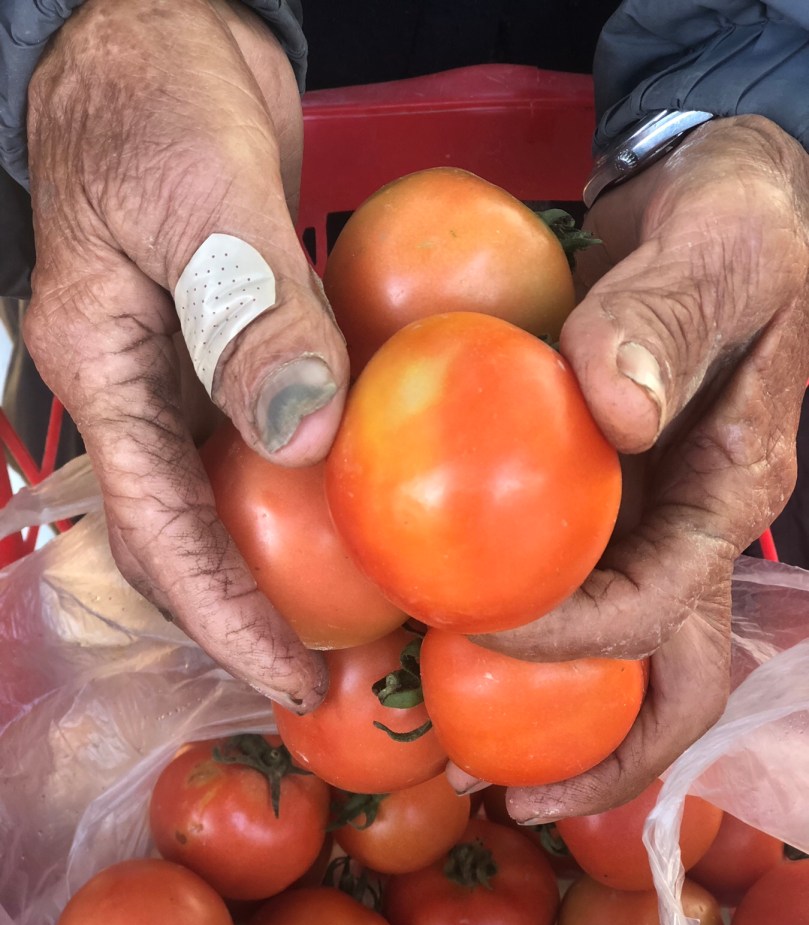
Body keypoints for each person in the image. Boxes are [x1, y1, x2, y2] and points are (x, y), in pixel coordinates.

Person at [0, 0, 807, 820]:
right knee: (159, 533)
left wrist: (762, 109)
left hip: (653, 211)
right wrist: (99, 29)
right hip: (186, 217)